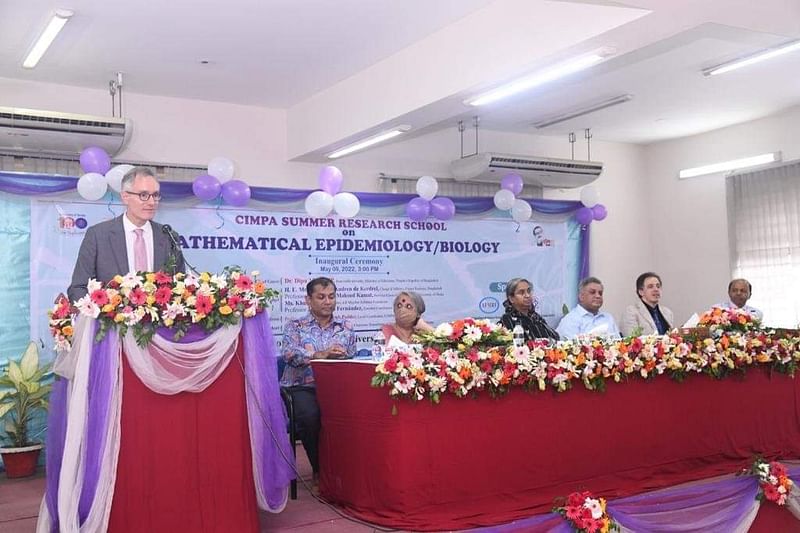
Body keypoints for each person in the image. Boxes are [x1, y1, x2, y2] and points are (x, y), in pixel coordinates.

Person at [67, 166, 184, 302]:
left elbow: (181, 286)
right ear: (125, 197)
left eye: (155, 195)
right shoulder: (98, 236)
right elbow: (78, 287)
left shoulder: (168, 236)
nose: (152, 202)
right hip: (110, 321)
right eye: (144, 195)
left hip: (159, 322)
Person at [280, 277, 355, 486]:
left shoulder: (345, 327)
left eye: (331, 296)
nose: (327, 301)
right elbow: (289, 354)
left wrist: (342, 356)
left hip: (335, 388)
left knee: (357, 414)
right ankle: (320, 470)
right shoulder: (295, 326)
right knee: (310, 415)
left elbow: (352, 357)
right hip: (301, 386)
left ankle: (347, 470)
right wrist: (321, 354)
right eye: (321, 297)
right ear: (308, 300)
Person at [621, 272, 674, 336]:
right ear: (641, 292)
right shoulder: (631, 312)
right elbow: (631, 339)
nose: (656, 289)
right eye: (650, 287)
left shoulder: (667, 312)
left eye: (658, 286)